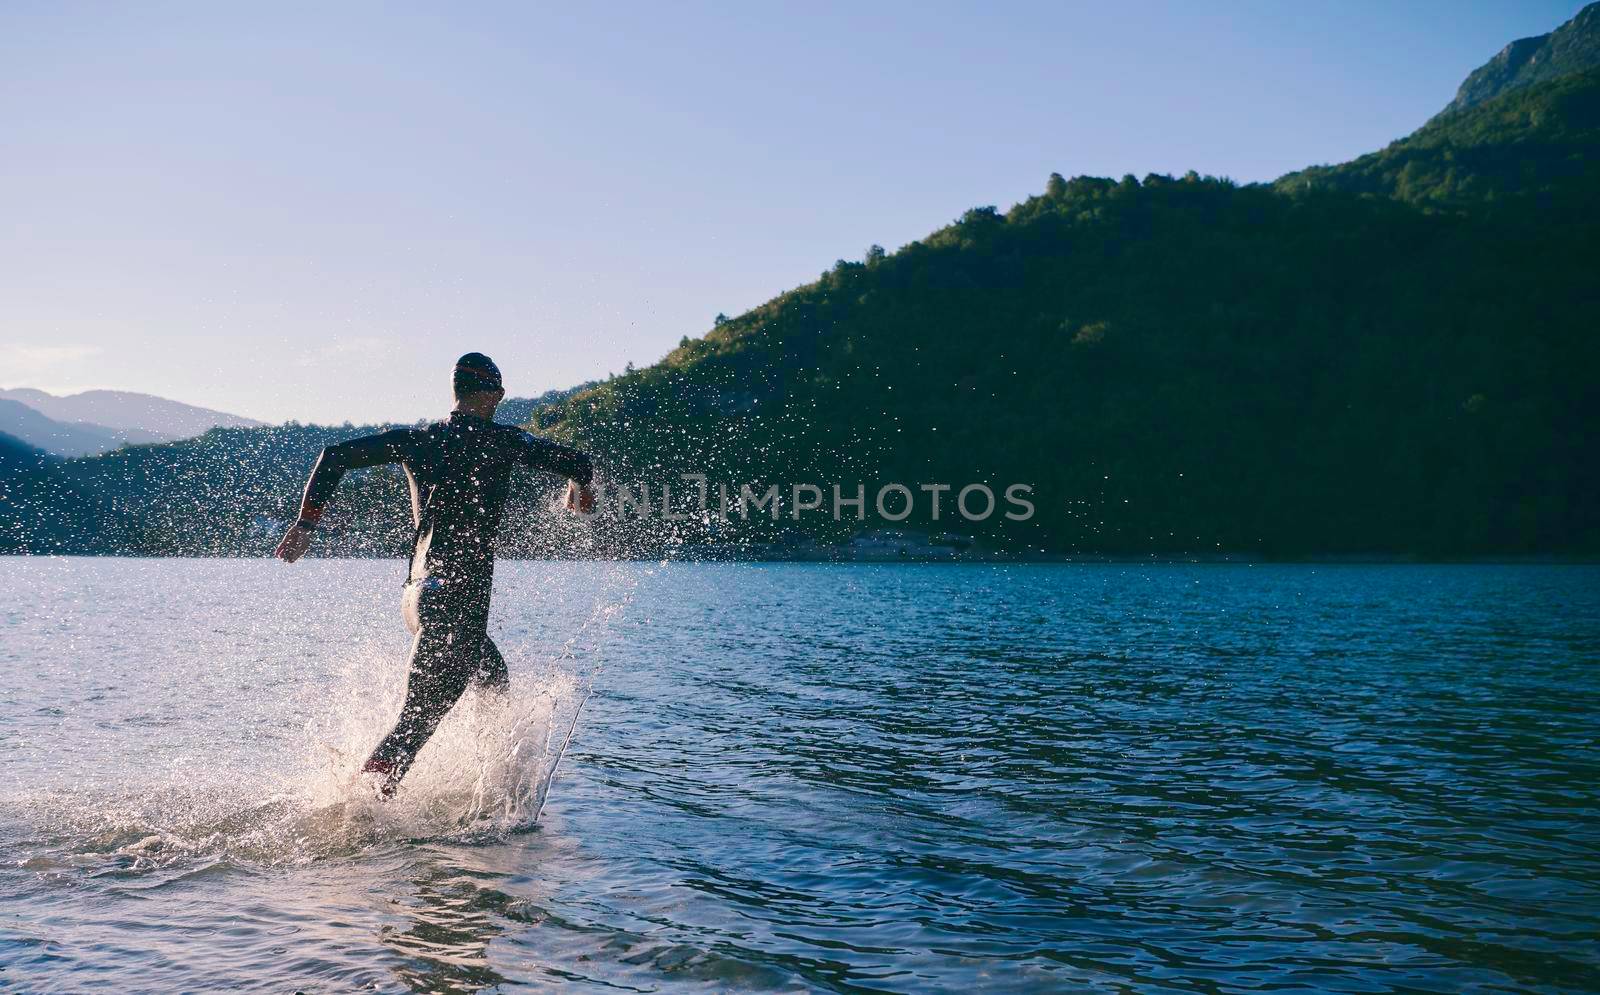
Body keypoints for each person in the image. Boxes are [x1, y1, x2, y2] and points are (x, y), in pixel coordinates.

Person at [274, 352, 597, 797]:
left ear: (456, 393)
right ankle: (355, 811)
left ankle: (483, 790)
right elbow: (581, 464)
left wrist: (307, 523)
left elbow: (333, 457)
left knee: (493, 679)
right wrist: (576, 491)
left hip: (420, 598)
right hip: (456, 603)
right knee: (413, 728)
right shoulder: (504, 441)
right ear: (496, 395)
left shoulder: (419, 439)